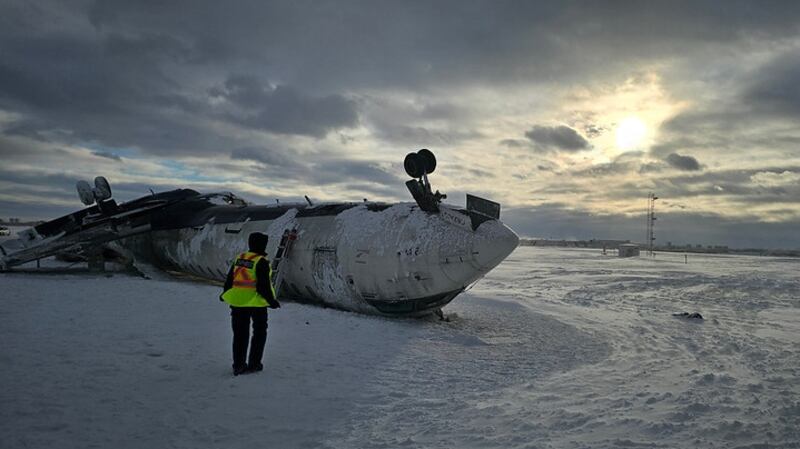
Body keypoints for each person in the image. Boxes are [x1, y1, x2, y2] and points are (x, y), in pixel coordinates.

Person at [220, 232, 280, 376]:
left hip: (238, 302)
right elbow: (263, 286)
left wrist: (224, 293)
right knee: (259, 333)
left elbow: (230, 279)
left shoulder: (240, 258)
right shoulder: (261, 261)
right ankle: (254, 364)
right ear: (262, 245)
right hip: (256, 303)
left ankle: (238, 365)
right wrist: (272, 302)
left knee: (240, 335)